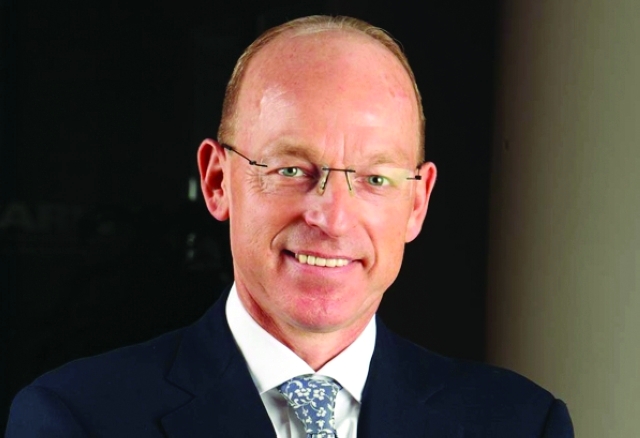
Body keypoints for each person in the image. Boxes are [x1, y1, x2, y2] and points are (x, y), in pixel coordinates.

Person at [5, 15, 573, 437]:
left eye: (375, 178)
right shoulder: (74, 420)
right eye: (292, 170)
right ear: (218, 182)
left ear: (417, 203)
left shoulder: (522, 424)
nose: (331, 217)